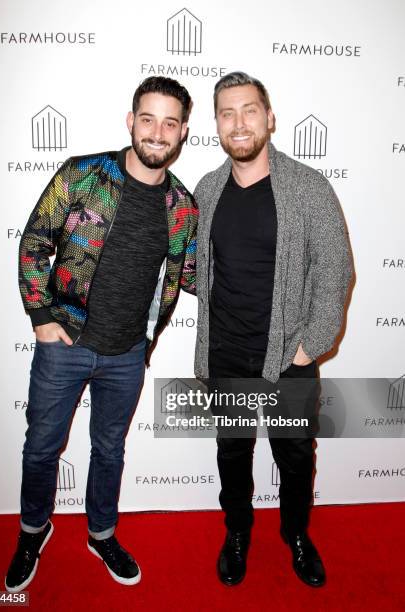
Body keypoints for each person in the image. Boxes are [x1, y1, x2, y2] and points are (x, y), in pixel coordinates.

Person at [5, 76, 197, 592]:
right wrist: (41, 316)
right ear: (131, 121)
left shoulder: (183, 206)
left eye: (170, 123)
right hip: (64, 345)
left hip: (129, 354)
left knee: (109, 450)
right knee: (42, 448)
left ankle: (101, 533)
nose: (158, 132)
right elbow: (33, 242)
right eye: (149, 118)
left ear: (182, 134)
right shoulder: (83, 175)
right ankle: (32, 530)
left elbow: (193, 274)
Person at [193, 71, 353, 587]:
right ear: (216, 124)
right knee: (233, 452)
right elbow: (200, 270)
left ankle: (296, 534)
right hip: (227, 355)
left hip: (289, 359)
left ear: (270, 117)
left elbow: (335, 271)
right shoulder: (208, 189)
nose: (238, 123)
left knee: (294, 454)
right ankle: (237, 532)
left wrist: (309, 347)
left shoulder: (308, 187)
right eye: (226, 113)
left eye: (249, 110)